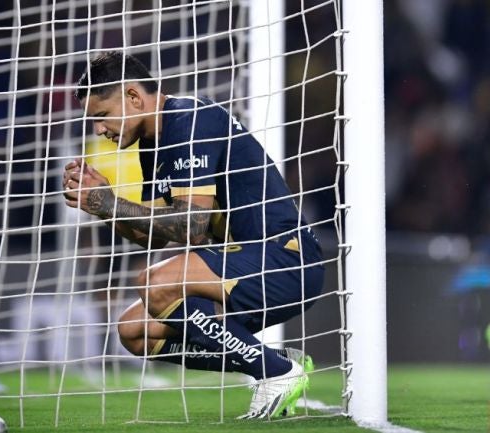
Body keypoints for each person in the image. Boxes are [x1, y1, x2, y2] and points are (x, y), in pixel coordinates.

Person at [63, 51, 325, 420]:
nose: (99, 130)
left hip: (285, 260)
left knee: (156, 283)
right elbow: (150, 236)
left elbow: (191, 225)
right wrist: (101, 205)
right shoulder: (153, 143)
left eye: (102, 116)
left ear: (134, 96)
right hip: (246, 265)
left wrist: (110, 203)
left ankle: (274, 373)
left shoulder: (191, 119)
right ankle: (272, 361)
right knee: (135, 331)